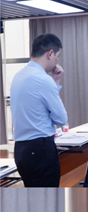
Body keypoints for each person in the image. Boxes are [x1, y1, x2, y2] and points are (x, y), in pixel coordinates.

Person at [11, 33, 68, 187]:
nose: (57, 61)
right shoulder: (43, 80)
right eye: (57, 56)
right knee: (48, 197)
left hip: (21, 150)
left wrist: (55, 81)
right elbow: (61, 119)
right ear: (50, 54)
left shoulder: (18, 76)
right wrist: (53, 82)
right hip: (40, 149)